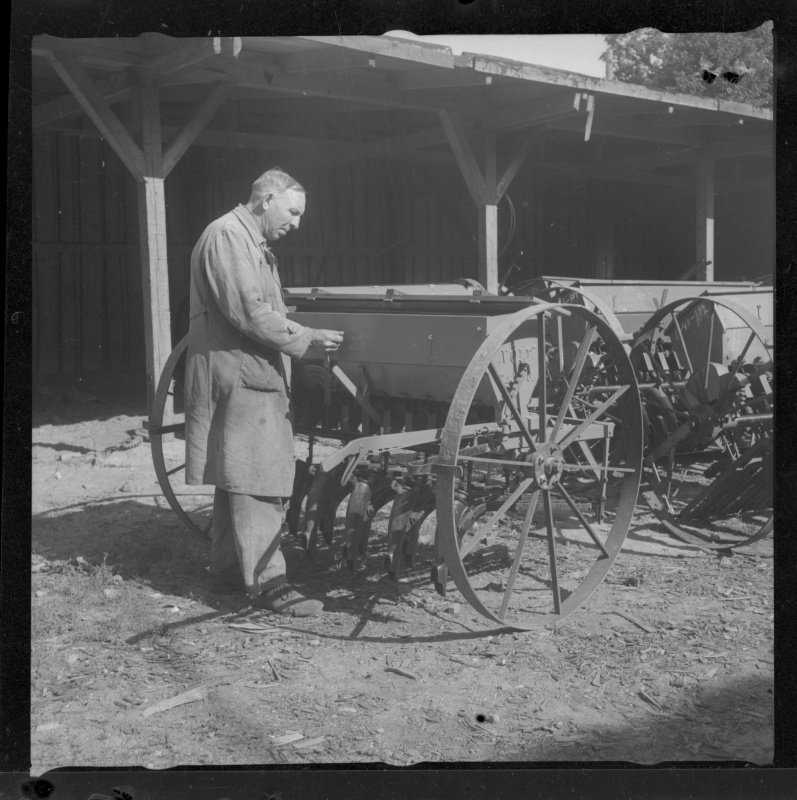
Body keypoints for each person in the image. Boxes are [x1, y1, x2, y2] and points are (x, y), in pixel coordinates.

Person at [184, 167, 343, 617]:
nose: (297, 223)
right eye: (293, 212)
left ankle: (228, 571)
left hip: (242, 371)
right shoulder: (229, 236)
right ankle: (271, 585)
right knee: (260, 477)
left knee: (236, 475)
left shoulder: (248, 241)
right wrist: (307, 337)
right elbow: (250, 312)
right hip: (241, 375)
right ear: (266, 199)